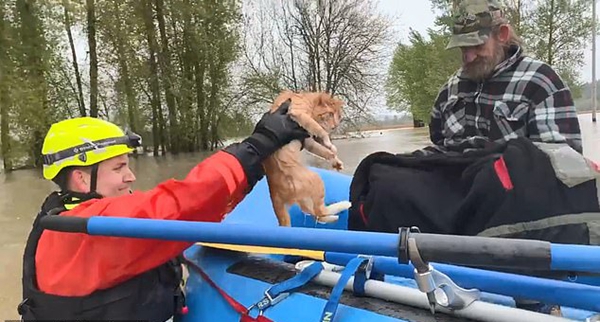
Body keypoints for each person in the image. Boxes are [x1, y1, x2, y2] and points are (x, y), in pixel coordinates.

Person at [348, 0, 598, 317]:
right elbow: (437, 158)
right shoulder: (450, 90)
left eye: (476, 46)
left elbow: (564, 167)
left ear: (503, 34)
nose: (467, 57)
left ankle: (535, 300)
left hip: (514, 210)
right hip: (459, 202)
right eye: (461, 48)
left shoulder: (540, 82)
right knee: (382, 175)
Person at [19, 102, 309, 321]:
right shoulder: (91, 230)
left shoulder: (61, 217)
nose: (130, 177)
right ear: (82, 178)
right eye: (119, 168)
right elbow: (180, 203)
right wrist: (256, 148)